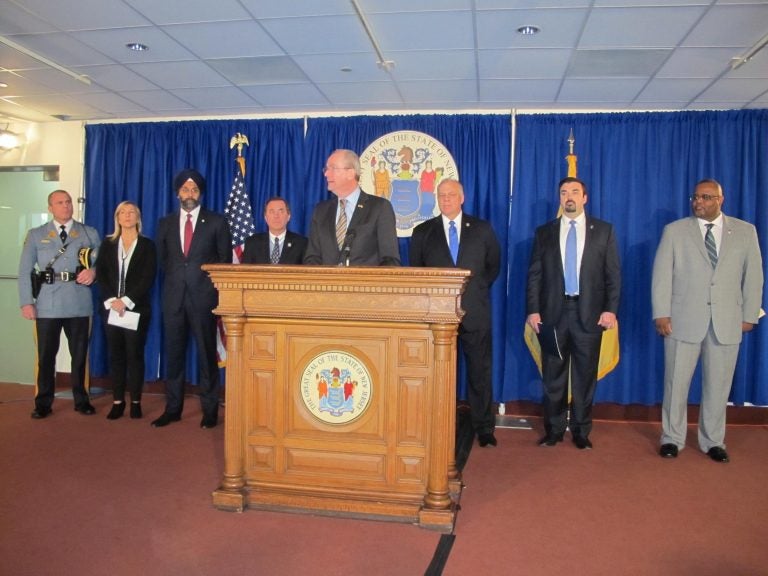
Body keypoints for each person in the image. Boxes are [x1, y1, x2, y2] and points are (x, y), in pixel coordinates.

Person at [652, 179, 763, 463]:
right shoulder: (675, 231)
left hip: (727, 322)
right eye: (695, 197)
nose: (698, 202)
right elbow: (662, 275)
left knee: (718, 386)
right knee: (676, 383)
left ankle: (713, 440)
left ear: (720, 200)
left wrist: (750, 314)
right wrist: (661, 313)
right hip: (682, 320)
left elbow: (753, 277)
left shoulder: (745, 232)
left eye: (705, 197)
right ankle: (671, 438)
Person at [525, 177, 621, 450]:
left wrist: (610, 310)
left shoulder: (603, 231)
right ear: (559, 198)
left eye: (575, 192)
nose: (569, 196)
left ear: (585, 198)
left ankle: (581, 431)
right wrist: (532, 310)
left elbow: (613, 275)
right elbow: (534, 275)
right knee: (553, 375)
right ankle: (553, 430)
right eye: (564, 192)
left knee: (584, 376)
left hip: (589, 315)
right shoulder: (545, 232)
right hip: (553, 315)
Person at [410, 179, 501, 447]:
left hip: (474, 312)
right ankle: (437, 425)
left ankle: (484, 427)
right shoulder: (423, 231)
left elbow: (492, 267)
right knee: (437, 374)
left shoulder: (482, 229)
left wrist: (475, 291)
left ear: (462, 197)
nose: (446, 199)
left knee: (479, 373)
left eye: (451, 194)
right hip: (436, 318)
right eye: (441, 195)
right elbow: (417, 272)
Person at [153, 169, 232, 429]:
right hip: (173, 298)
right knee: (174, 355)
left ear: (201, 193)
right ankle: (172, 409)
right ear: (177, 193)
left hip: (204, 299)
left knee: (206, 356)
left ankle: (209, 410)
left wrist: (206, 286)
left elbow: (223, 261)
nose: (190, 194)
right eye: (185, 189)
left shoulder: (217, 222)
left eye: (194, 190)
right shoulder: (165, 223)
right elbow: (163, 260)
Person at [18, 189, 101, 419]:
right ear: (50, 208)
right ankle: (43, 402)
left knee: (80, 355)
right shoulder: (36, 235)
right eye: (60, 203)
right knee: (45, 356)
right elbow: (25, 271)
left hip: (79, 302)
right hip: (47, 304)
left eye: (68, 202)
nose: (66, 206)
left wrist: (93, 272)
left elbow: (102, 263)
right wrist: (27, 302)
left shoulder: (88, 232)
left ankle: (81, 400)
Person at [95, 201, 157, 420]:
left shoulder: (147, 245)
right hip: (111, 309)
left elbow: (147, 278)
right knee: (116, 356)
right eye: (123, 212)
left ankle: (136, 402)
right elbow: (101, 275)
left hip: (136, 310)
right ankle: (118, 401)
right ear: (117, 217)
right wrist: (114, 300)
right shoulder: (108, 244)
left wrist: (127, 300)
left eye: (132, 212)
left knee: (135, 355)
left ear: (138, 217)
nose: (127, 216)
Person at [304, 149, 400, 266]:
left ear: (351, 173)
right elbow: (312, 257)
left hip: (365, 283)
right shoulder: (321, 210)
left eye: (333, 168)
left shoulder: (379, 208)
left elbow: (389, 260)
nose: (326, 174)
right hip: (327, 283)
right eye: (326, 169)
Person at [242, 197, 307, 264]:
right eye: (272, 211)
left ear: (288, 216)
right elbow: (244, 272)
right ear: (265, 218)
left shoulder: (302, 244)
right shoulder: (252, 243)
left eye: (281, 211)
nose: (276, 216)